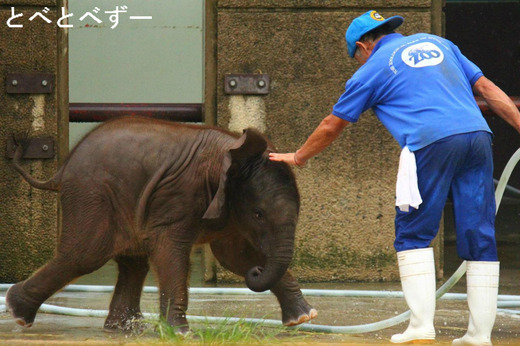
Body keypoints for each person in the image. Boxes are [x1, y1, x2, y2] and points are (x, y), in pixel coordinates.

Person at [269, 10, 520, 345]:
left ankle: (420, 327)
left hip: (429, 142)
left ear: (362, 46)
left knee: (413, 233)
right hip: (477, 136)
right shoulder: (440, 43)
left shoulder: (371, 70)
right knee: (480, 234)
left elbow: (333, 124)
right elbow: (488, 88)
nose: (357, 63)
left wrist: (298, 157)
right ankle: (479, 335)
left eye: (354, 57)